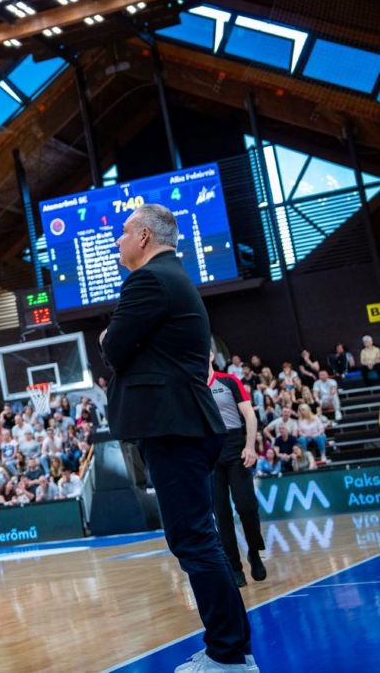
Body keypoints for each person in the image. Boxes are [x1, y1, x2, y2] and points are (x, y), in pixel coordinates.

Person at [99, 204, 254, 673]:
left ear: (144, 236)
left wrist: (109, 339)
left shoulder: (149, 280)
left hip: (176, 427)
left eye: (124, 232)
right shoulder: (172, 277)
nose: (118, 241)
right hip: (183, 425)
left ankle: (228, 655)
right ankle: (230, 650)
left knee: (195, 542)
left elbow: (113, 347)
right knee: (198, 539)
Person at [207, 349, 267, 588]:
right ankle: (234, 566)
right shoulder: (191, 386)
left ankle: (254, 552)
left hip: (235, 448)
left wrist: (250, 446)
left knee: (246, 506)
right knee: (221, 514)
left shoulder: (229, 380)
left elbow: (250, 416)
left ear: (211, 356)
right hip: (209, 453)